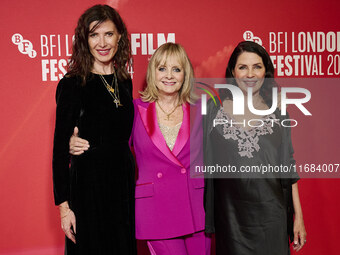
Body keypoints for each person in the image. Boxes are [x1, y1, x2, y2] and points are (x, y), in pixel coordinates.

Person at [70, 42, 211, 255]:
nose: (169, 75)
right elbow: (110, 146)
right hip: (156, 211)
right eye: (162, 68)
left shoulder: (203, 108)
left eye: (176, 69)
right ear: (152, 72)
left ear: (185, 74)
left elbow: (228, 144)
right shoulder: (134, 109)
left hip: (197, 209)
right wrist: (73, 142)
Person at [204, 41, 307, 255]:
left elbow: (288, 166)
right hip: (231, 219)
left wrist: (299, 217)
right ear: (232, 72)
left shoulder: (279, 115)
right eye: (243, 67)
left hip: (273, 217)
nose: (250, 74)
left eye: (257, 67)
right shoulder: (213, 113)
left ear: (265, 72)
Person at [52, 5, 136, 255]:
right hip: (89, 187)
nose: (102, 42)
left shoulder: (125, 80)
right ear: (84, 40)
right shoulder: (72, 84)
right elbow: (59, 151)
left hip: (122, 183)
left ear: (119, 36)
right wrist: (64, 208)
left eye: (108, 34)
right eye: (94, 35)